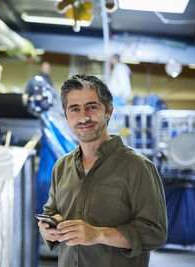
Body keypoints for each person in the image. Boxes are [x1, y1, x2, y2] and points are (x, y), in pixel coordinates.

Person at [38, 74, 167, 267]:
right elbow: (51, 211)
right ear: (66, 116)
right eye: (74, 109)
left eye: (92, 107)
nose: (83, 117)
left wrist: (98, 234)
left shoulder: (137, 167)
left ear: (109, 111)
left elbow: (155, 233)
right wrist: (49, 229)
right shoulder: (62, 166)